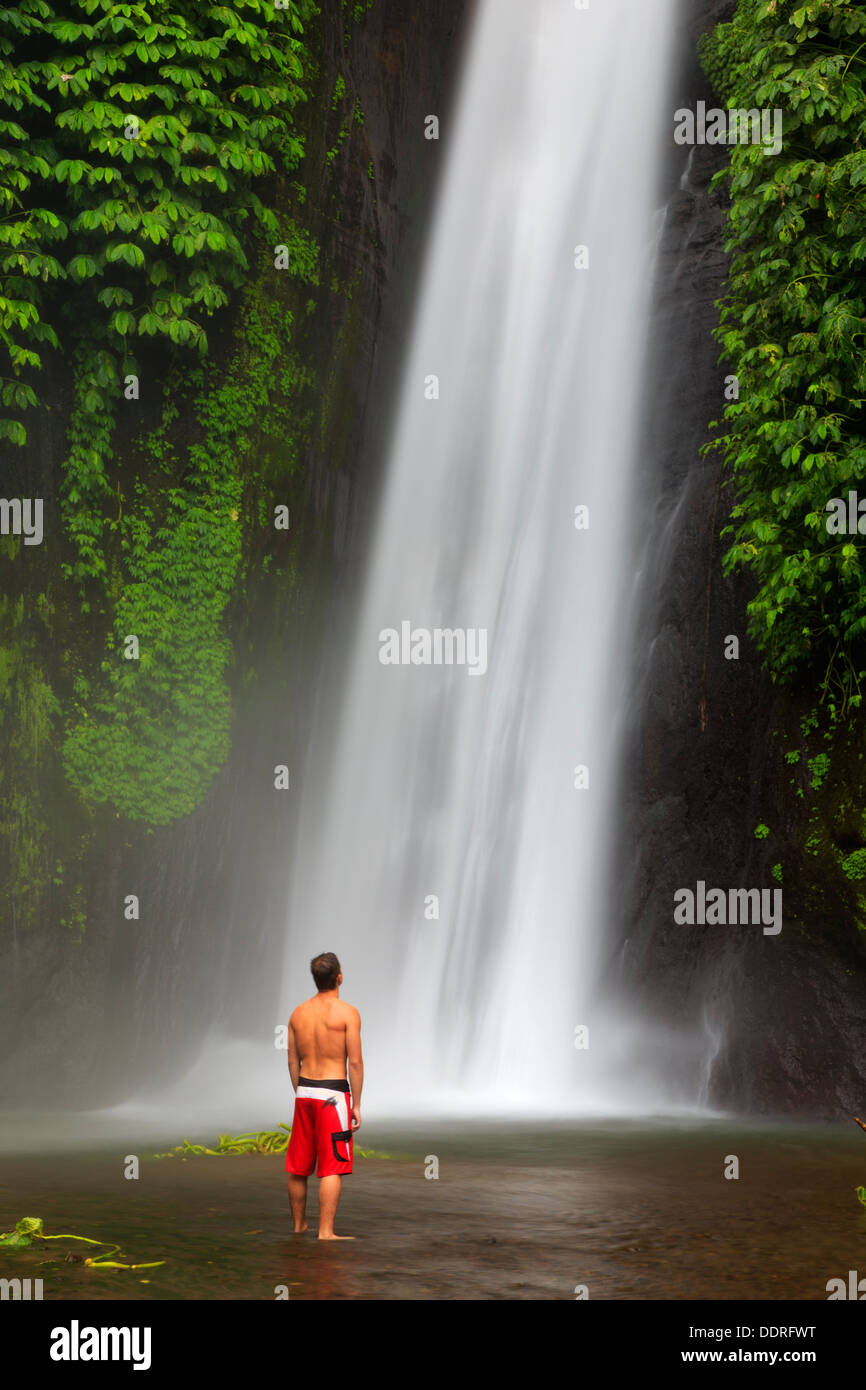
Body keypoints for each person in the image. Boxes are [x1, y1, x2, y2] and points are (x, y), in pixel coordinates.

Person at [285, 951, 363, 1239]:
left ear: (315, 979)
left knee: (299, 1165)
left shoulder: (297, 1013)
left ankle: (299, 1226)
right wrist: (356, 1104)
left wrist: (300, 1091)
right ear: (339, 977)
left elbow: (292, 1060)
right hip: (333, 1094)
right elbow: (354, 1062)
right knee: (332, 1165)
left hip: (305, 1091)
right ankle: (326, 1232)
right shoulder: (348, 1013)